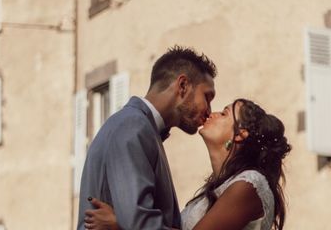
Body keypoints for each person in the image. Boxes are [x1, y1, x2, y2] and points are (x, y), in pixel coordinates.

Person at [84, 98, 291, 230]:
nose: (213, 113)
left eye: (225, 113)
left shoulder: (250, 184)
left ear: (240, 134)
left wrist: (122, 224)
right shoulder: (218, 189)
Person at [77, 46, 217, 230]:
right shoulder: (133, 126)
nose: (209, 110)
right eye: (207, 97)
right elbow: (140, 224)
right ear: (182, 86)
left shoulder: (141, 127)